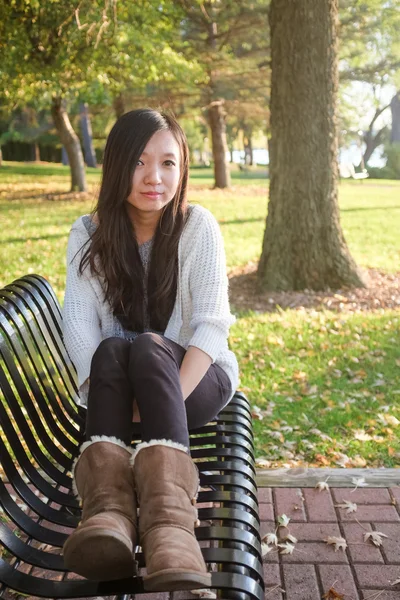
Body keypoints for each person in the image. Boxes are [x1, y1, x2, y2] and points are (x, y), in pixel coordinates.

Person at [62, 108, 239, 591]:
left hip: (196, 380)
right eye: (140, 162)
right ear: (117, 165)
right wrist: (113, 392)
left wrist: (152, 400)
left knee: (143, 347)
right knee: (112, 351)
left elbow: (211, 326)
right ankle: (109, 518)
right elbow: (78, 322)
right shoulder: (89, 232)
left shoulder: (197, 226)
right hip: (119, 384)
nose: (154, 178)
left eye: (168, 163)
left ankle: (171, 529)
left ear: (181, 170)